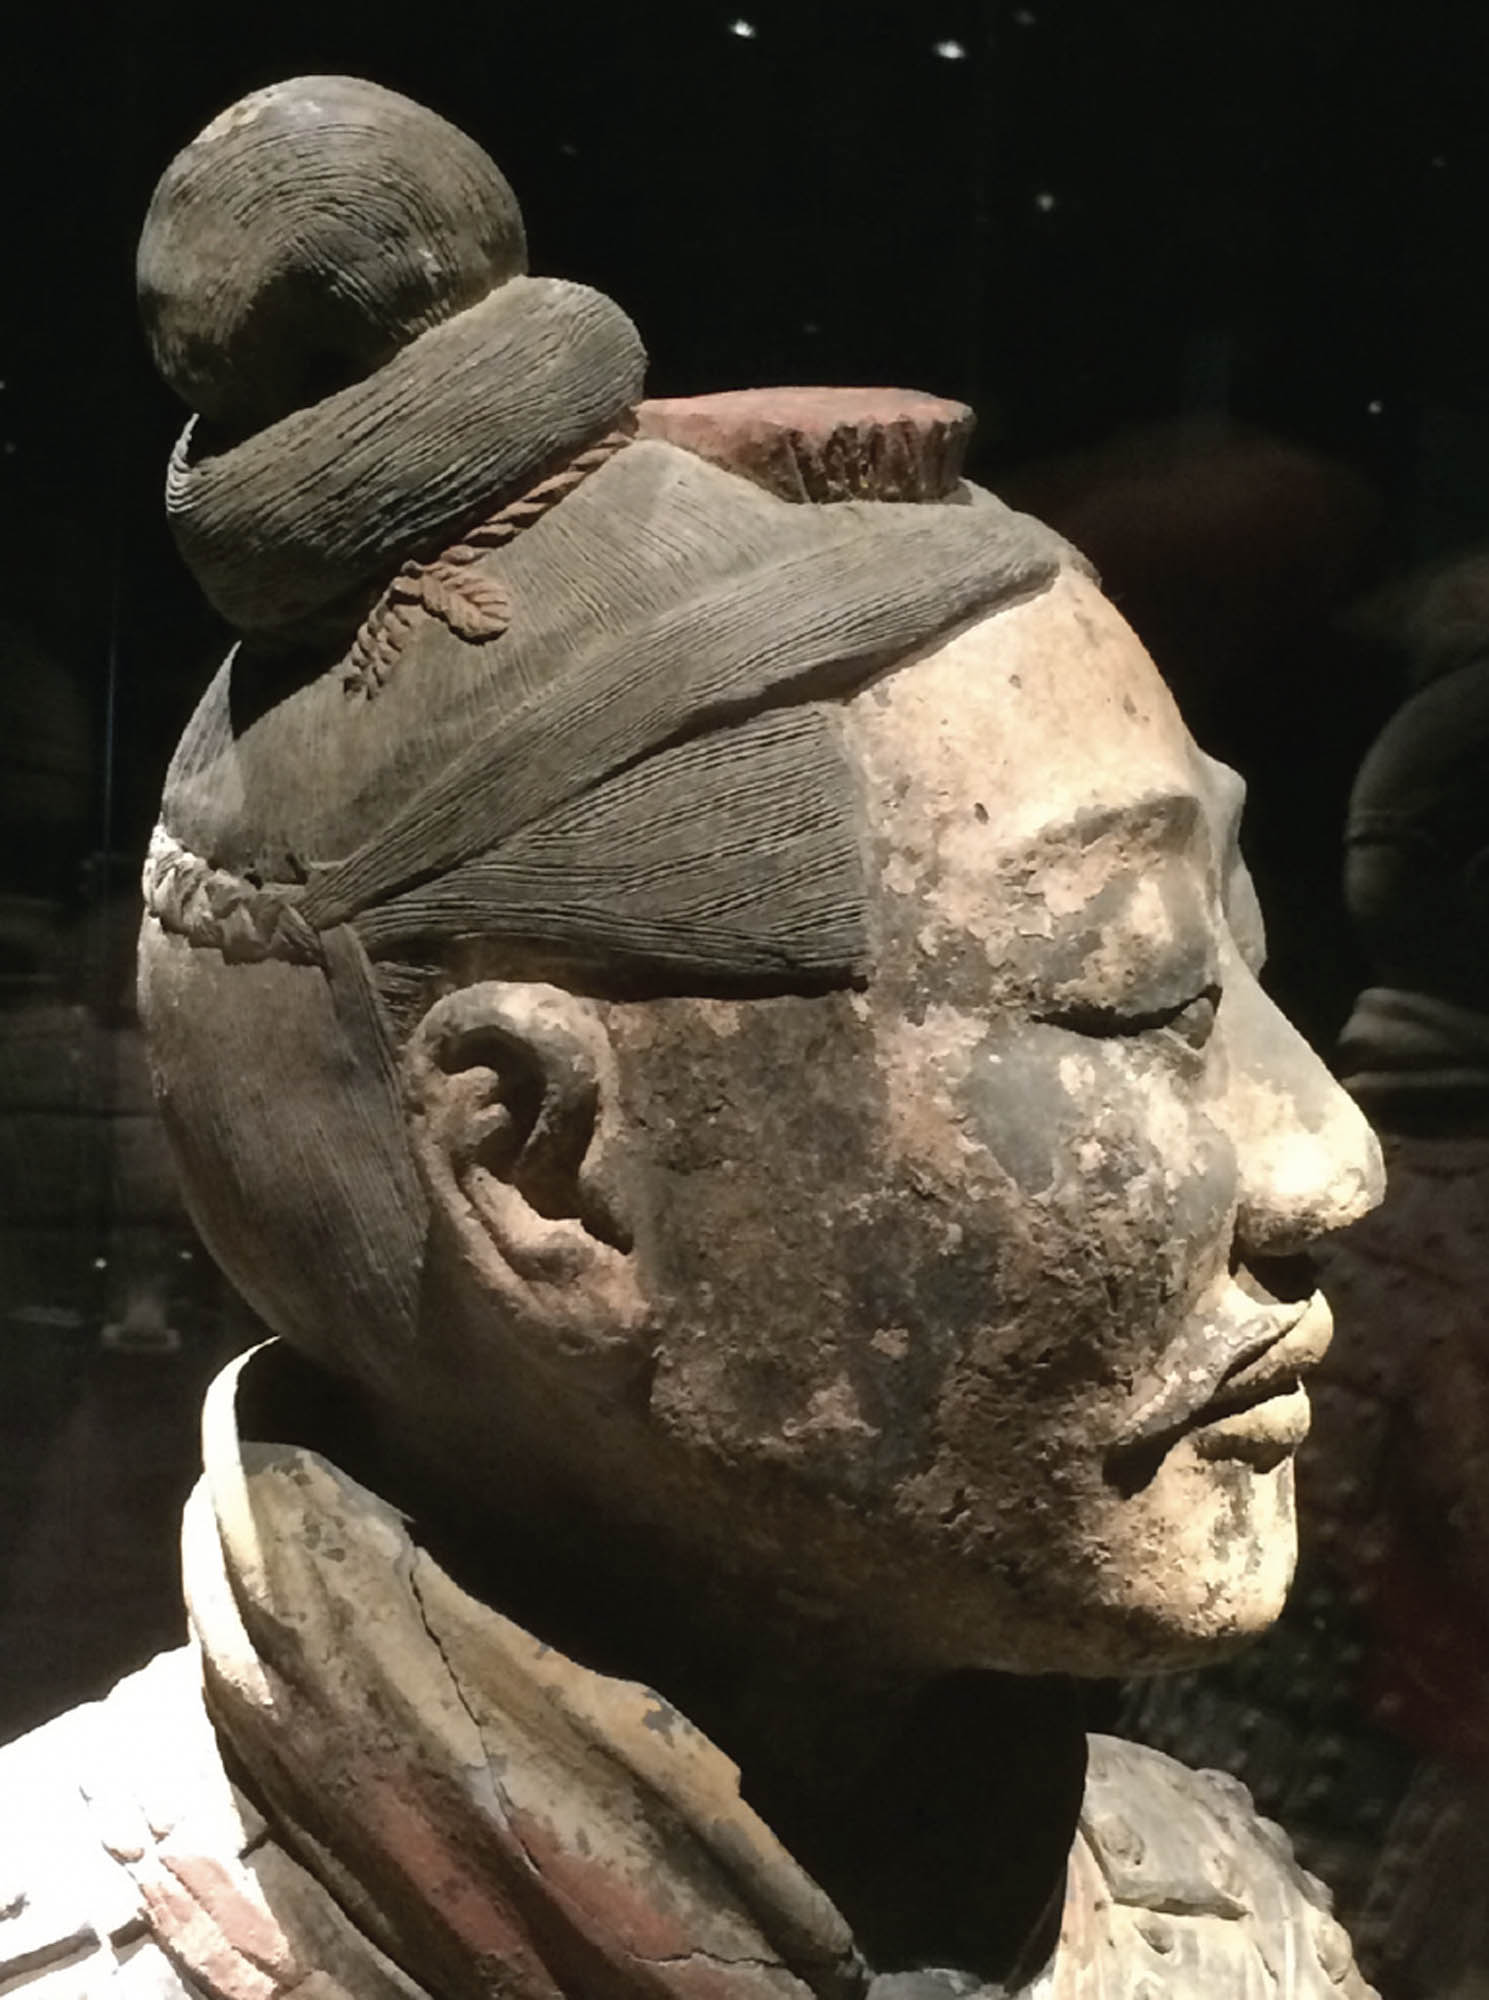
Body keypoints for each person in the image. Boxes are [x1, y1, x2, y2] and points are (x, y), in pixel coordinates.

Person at [0, 77, 1383, 1999]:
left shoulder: (1218, 1925)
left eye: (1234, 964)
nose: (1329, 1152)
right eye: (1129, 993)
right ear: (541, 1163)